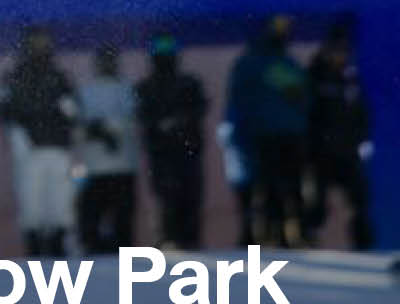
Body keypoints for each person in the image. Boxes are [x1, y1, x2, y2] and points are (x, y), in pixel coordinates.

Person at [224, 17, 310, 248]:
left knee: (288, 187)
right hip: (264, 137)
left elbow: (304, 97)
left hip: (286, 135)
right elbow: (239, 101)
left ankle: (286, 234)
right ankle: (271, 234)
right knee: (268, 187)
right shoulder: (256, 63)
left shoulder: (285, 62)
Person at [0, 26, 78, 258]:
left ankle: (57, 248)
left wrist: (66, 117)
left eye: (43, 43)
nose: (39, 48)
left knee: (60, 202)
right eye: (35, 43)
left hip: (58, 147)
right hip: (29, 150)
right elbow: (5, 110)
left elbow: (72, 109)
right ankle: (34, 250)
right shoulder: (15, 77)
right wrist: (18, 135)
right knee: (31, 202)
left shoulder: (59, 77)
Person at [136, 34, 208, 251]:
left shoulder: (189, 83)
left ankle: (189, 238)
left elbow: (200, 108)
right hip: (161, 152)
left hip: (187, 149)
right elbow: (143, 115)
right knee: (166, 195)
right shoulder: (146, 87)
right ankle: (168, 236)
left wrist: (180, 121)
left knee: (189, 193)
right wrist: (162, 125)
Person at [305, 21, 373, 249]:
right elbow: (306, 114)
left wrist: (361, 138)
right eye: (336, 52)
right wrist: (312, 145)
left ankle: (364, 245)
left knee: (359, 199)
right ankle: (308, 242)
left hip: (348, 151)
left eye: (344, 52)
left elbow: (361, 112)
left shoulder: (350, 79)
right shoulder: (314, 77)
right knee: (316, 204)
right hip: (321, 153)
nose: (340, 57)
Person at [75, 44, 140, 254]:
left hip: (123, 165)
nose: (107, 65)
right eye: (104, 61)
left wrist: (107, 128)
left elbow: (132, 120)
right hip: (94, 167)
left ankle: (123, 250)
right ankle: (93, 249)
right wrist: (98, 130)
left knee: (123, 217)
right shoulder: (86, 91)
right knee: (92, 214)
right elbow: (78, 126)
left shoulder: (127, 89)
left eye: (110, 60)